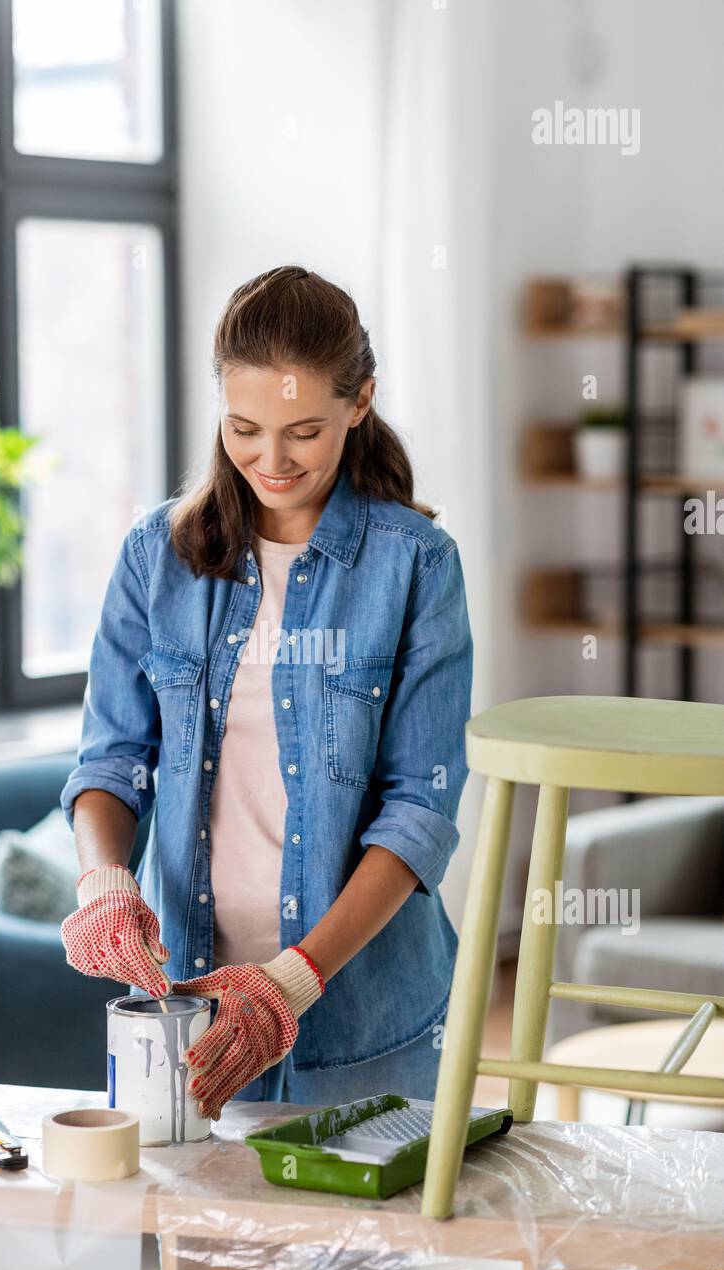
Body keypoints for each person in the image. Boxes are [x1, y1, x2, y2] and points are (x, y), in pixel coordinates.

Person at [59, 261, 472, 1144]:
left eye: (305, 431)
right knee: (208, 1269)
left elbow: (419, 813)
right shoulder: (153, 556)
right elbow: (112, 760)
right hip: (190, 1006)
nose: (271, 462)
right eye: (245, 428)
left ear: (360, 403)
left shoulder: (417, 566)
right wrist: (103, 880)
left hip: (363, 1013)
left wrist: (289, 983)